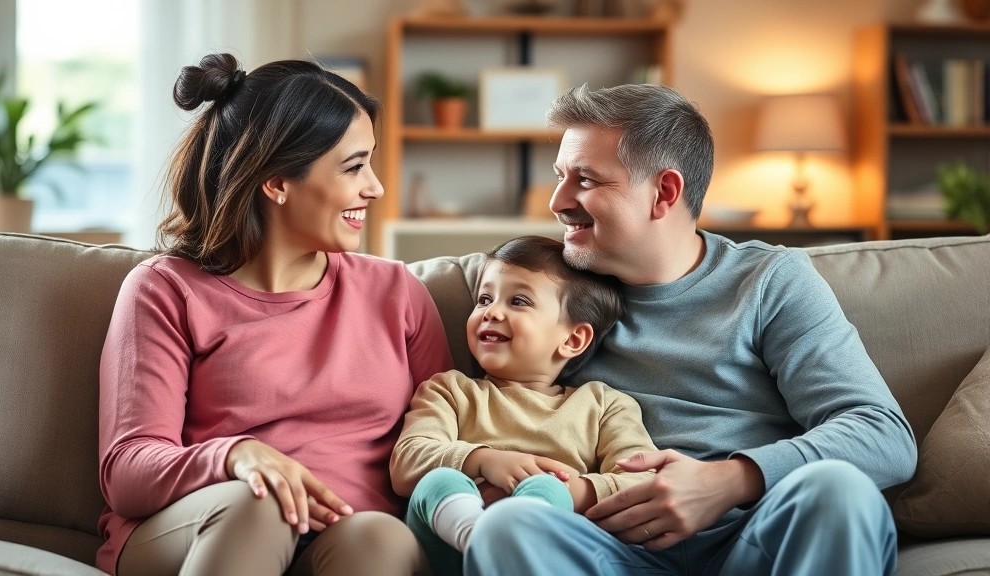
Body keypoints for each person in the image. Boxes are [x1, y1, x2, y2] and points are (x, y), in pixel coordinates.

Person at [463, 84, 918, 576]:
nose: (557, 200)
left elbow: (882, 435)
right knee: (508, 527)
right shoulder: (549, 291)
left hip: (751, 541)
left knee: (839, 490)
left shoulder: (769, 281)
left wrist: (730, 480)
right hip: (610, 551)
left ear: (664, 193)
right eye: (559, 176)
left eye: (586, 180)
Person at [97, 53, 453, 576]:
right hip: (204, 527)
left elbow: (445, 436)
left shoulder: (397, 293)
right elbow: (129, 469)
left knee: (380, 537)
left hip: (348, 535)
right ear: (277, 182)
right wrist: (234, 457)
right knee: (261, 502)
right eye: (354, 167)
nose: (375, 187)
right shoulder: (165, 289)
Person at [389, 235, 658, 576]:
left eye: (518, 301)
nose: (492, 311)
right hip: (449, 554)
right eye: (484, 299)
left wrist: (573, 490)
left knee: (547, 487)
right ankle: (483, 540)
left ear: (572, 339)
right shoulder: (450, 390)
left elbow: (642, 482)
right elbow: (407, 461)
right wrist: (483, 460)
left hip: (543, 554)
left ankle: (512, 538)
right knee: (438, 481)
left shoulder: (604, 405)